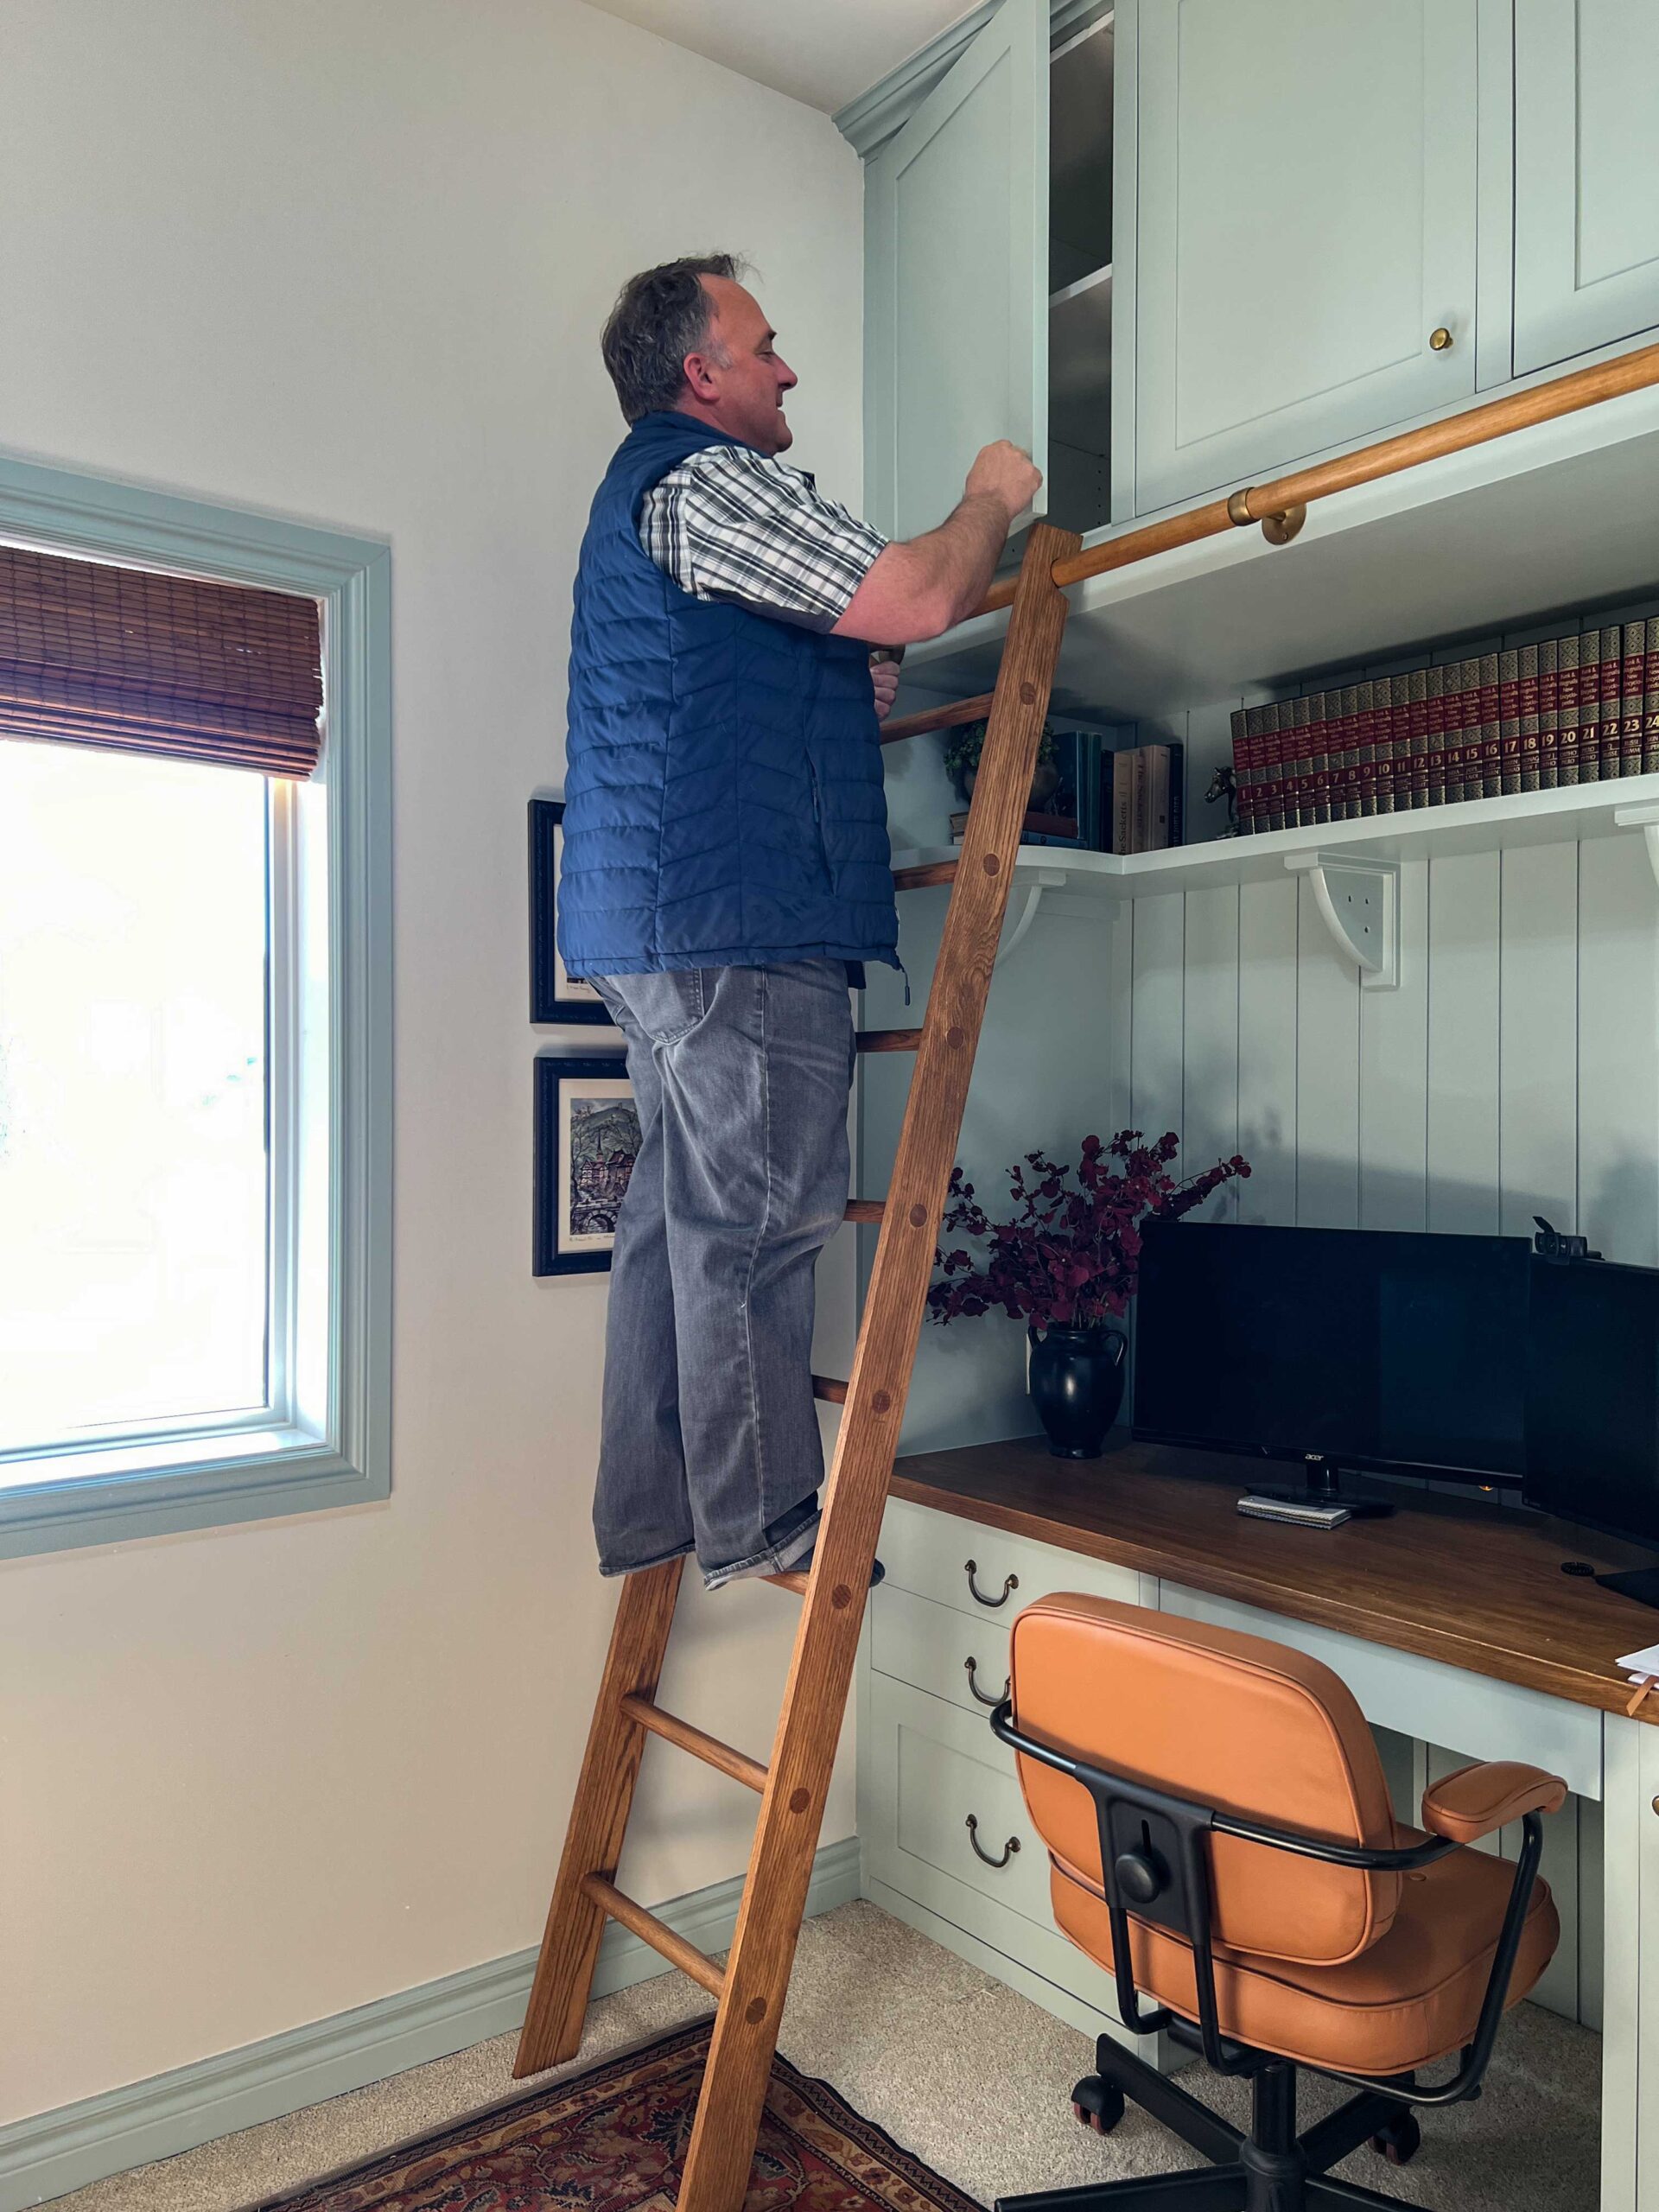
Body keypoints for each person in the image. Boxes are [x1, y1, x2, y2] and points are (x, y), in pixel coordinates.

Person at [558, 253, 1041, 1589]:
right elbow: (924, 593)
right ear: (698, 372)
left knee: (676, 1226)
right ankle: (768, 1520)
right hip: (734, 916)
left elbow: (792, 680)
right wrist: (989, 499)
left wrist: (844, 678)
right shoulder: (703, 477)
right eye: (764, 345)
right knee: (759, 1227)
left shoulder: (658, 505)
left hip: (659, 919)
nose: (788, 369)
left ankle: (660, 1508)